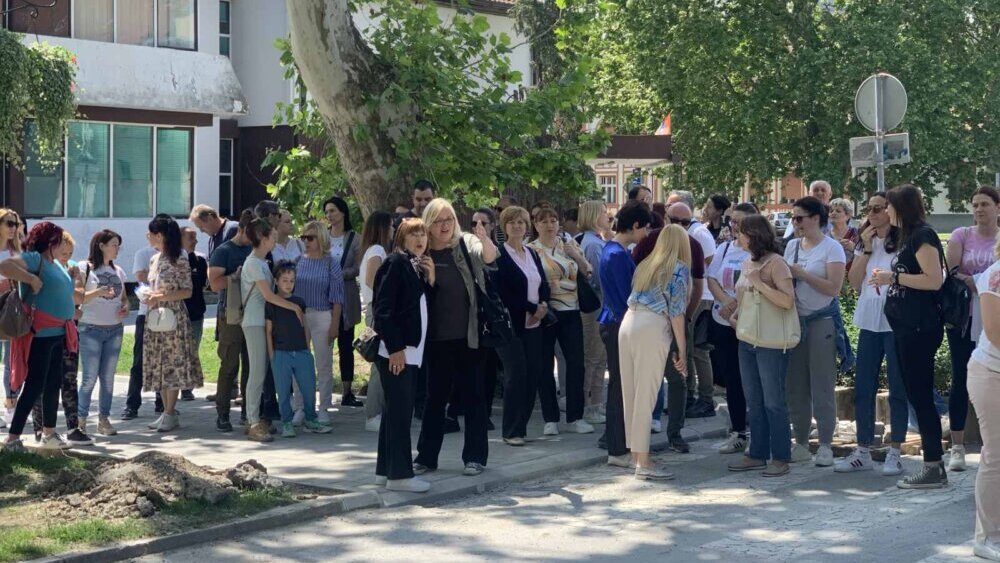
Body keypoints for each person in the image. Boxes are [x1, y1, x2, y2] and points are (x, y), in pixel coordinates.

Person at [412, 198, 496, 477]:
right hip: (436, 339)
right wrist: (431, 278)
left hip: (470, 336)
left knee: (474, 398)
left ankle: (475, 457)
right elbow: (418, 297)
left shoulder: (465, 243)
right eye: (438, 220)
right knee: (435, 400)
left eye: (449, 219)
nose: (445, 225)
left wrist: (485, 240)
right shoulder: (420, 253)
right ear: (428, 224)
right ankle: (426, 457)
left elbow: (489, 257)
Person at [871, 184, 947, 489]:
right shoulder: (907, 237)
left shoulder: (922, 235)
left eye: (888, 206)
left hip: (919, 328)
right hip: (905, 327)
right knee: (917, 394)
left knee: (921, 397)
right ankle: (934, 465)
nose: (885, 211)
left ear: (901, 207)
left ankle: (933, 467)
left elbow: (933, 280)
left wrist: (894, 278)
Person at [836, 192, 907, 476]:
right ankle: (863, 449)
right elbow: (854, 282)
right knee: (864, 386)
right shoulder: (866, 241)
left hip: (895, 320)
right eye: (870, 209)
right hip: (869, 320)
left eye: (879, 208)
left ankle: (895, 451)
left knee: (898, 387)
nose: (874, 213)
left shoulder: (904, 241)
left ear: (891, 211)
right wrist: (864, 249)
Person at [619, 224, 691, 480]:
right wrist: (682, 350)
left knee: (632, 393)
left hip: (629, 322)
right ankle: (643, 462)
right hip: (652, 326)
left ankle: (636, 456)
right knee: (646, 395)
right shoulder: (679, 269)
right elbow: (677, 313)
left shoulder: (646, 264)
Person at [726, 215, 796, 476]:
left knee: (773, 400)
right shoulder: (748, 262)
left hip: (771, 341)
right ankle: (757, 453)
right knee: (754, 399)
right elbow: (745, 297)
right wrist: (735, 314)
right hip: (747, 337)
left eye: (741, 232)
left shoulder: (777, 264)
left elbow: (788, 301)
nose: (737, 236)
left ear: (753, 235)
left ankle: (780, 457)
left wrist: (758, 282)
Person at [0, 222, 78, 452]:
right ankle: (13, 438)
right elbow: (5, 266)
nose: (62, 244)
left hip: (58, 333)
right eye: (59, 240)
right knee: (34, 385)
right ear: (49, 241)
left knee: (53, 384)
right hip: (40, 334)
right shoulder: (35, 259)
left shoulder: (56, 264)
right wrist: (31, 279)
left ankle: (50, 433)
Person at [373, 218, 434, 493]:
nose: (420, 239)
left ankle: (386, 470)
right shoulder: (396, 263)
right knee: (400, 412)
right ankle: (399, 474)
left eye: (423, 234)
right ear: (401, 238)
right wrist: (396, 348)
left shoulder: (414, 265)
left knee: (394, 411)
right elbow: (383, 309)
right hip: (398, 352)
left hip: (410, 352)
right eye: (413, 234)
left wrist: (430, 279)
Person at [783, 196, 845, 466]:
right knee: (795, 384)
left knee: (822, 383)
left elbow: (834, 289)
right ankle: (800, 441)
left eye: (799, 218)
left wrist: (803, 275)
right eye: (792, 218)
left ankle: (826, 444)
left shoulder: (832, 249)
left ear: (815, 219)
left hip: (821, 321)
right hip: (795, 321)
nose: (795, 223)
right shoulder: (792, 246)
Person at [945, 186, 1000, 472]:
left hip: (995, 313)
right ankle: (957, 445)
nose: (979, 210)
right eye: (975, 204)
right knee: (960, 376)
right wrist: (978, 281)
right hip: (964, 316)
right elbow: (953, 271)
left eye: (985, 204)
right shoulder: (961, 235)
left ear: (997, 208)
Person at [528, 207, 594, 436]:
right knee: (544, 364)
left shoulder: (568, 244)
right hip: (546, 312)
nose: (549, 225)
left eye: (553, 220)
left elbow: (589, 271)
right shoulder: (531, 249)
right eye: (544, 221)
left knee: (576, 363)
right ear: (536, 224)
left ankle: (576, 416)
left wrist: (575, 256)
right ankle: (550, 418)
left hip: (571, 310)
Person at [598, 201, 652, 467]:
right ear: (635, 226)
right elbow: (626, 299)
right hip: (620, 324)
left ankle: (617, 444)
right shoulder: (618, 255)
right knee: (621, 388)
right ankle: (618, 448)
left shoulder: (613, 250)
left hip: (615, 322)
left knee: (620, 387)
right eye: (645, 228)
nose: (646, 233)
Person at [242, 218, 305, 442]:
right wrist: (294, 306)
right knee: (257, 372)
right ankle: (252, 421)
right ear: (262, 237)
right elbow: (269, 296)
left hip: (262, 320)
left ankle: (255, 417)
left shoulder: (262, 262)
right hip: (254, 321)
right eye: (271, 236)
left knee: (262, 371)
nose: (274, 240)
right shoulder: (253, 263)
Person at [493, 206, 550, 447]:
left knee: (533, 374)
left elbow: (542, 283)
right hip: (512, 325)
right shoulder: (499, 255)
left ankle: (522, 426)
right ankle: (511, 430)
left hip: (535, 324)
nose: (517, 226)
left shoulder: (532, 253)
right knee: (516, 375)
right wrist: (531, 308)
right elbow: (503, 293)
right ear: (504, 226)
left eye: (521, 222)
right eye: (512, 222)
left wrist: (544, 305)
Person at [143, 216, 203, 433]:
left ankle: (170, 412)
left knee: (173, 363)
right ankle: (166, 412)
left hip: (173, 315)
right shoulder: (154, 259)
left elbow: (187, 290)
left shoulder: (180, 257)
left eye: (151, 233)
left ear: (160, 235)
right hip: (156, 316)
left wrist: (159, 297)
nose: (148, 237)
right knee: (159, 362)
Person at [707, 203, 758, 455]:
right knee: (732, 379)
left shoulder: (760, 251)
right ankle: (738, 431)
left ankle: (759, 431)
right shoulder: (725, 247)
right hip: (724, 320)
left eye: (739, 222)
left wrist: (737, 305)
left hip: (749, 321)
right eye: (732, 221)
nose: (734, 226)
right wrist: (726, 302)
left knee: (754, 378)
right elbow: (712, 277)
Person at [267, 262, 333, 437]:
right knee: (282, 390)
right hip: (281, 353)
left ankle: (311, 419)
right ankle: (287, 422)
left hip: (301, 351)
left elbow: (304, 326)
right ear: (276, 281)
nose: (289, 284)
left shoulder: (299, 302)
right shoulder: (271, 303)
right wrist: (272, 354)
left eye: (292, 280)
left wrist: (306, 347)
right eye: (284, 280)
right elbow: (268, 330)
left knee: (309, 387)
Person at [74, 230, 129, 444]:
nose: (117, 249)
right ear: (101, 245)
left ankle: (104, 419)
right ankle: (80, 420)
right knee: (89, 377)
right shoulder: (84, 268)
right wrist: (99, 292)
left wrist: (124, 307)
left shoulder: (119, 271)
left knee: (108, 379)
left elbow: (124, 298)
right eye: (114, 244)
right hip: (91, 329)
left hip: (114, 329)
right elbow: (79, 297)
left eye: (118, 245)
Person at [292, 221, 345, 425]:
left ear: (321, 238)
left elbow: (337, 297)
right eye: (303, 237)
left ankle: (323, 407)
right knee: (299, 364)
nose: (306, 241)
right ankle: (301, 407)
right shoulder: (298, 261)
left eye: (310, 237)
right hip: (300, 316)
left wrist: (335, 324)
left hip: (323, 314)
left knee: (323, 364)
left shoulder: (330, 262)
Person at [666, 202, 716, 418]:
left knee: (698, 350)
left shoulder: (698, 237)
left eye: (685, 222)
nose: (680, 225)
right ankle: (688, 396)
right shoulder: (667, 239)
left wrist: (689, 310)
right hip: (681, 301)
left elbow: (703, 273)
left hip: (699, 299)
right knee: (684, 350)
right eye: (675, 221)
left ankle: (706, 399)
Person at [967, 236, 1000, 561]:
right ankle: (987, 538)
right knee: (996, 456)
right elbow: (995, 332)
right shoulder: (994, 275)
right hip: (991, 374)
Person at [207, 210, 254, 431]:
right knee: (229, 364)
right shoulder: (223, 251)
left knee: (251, 365)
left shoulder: (255, 248)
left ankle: (248, 411)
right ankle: (222, 413)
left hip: (254, 312)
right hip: (231, 313)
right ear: (242, 229)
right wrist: (234, 276)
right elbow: (214, 284)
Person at [323, 196, 364, 407]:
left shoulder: (354, 238)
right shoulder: (322, 237)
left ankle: (347, 391)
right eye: (327, 211)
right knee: (323, 343)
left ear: (343, 212)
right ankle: (325, 389)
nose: (330, 215)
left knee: (346, 344)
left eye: (333, 210)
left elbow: (358, 268)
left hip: (346, 296)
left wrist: (338, 273)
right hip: (323, 297)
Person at [576, 201, 610, 424]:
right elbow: (599, 279)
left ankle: (594, 403)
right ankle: (591, 405)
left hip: (592, 306)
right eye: (604, 214)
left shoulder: (586, 240)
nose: (608, 217)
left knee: (596, 357)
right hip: (595, 306)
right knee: (595, 358)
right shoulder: (594, 245)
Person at [359, 212, 393, 431]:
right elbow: (373, 280)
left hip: (375, 307)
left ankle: (378, 412)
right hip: (378, 308)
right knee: (380, 364)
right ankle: (373, 415)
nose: (393, 230)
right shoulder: (377, 251)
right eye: (390, 226)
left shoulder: (371, 250)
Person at [120, 234, 160, 420]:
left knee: (163, 360)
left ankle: (162, 403)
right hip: (146, 313)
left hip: (166, 314)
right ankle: (132, 404)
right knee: (139, 361)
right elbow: (141, 277)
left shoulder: (178, 253)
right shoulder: (143, 253)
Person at [470, 207, 501, 430]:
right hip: (470, 317)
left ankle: (485, 412)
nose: (478, 228)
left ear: (492, 226)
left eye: (483, 223)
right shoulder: (466, 248)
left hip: (492, 319)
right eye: (474, 224)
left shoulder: (496, 250)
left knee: (489, 368)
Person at [0, 209, 22, 430]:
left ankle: (10, 405)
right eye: (8, 223)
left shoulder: (16, 252)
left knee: (11, 359)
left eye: (15, 223)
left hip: (9, 311)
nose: (13, 227)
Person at [180, 227, 208, 402]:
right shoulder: (176, 260)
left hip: (196, 313)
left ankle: (187, 387)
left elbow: (204, 284)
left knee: (192, 350)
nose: (195, 240)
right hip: (178, 314)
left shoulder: (200, 260)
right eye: (191, 237)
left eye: (196, 237)